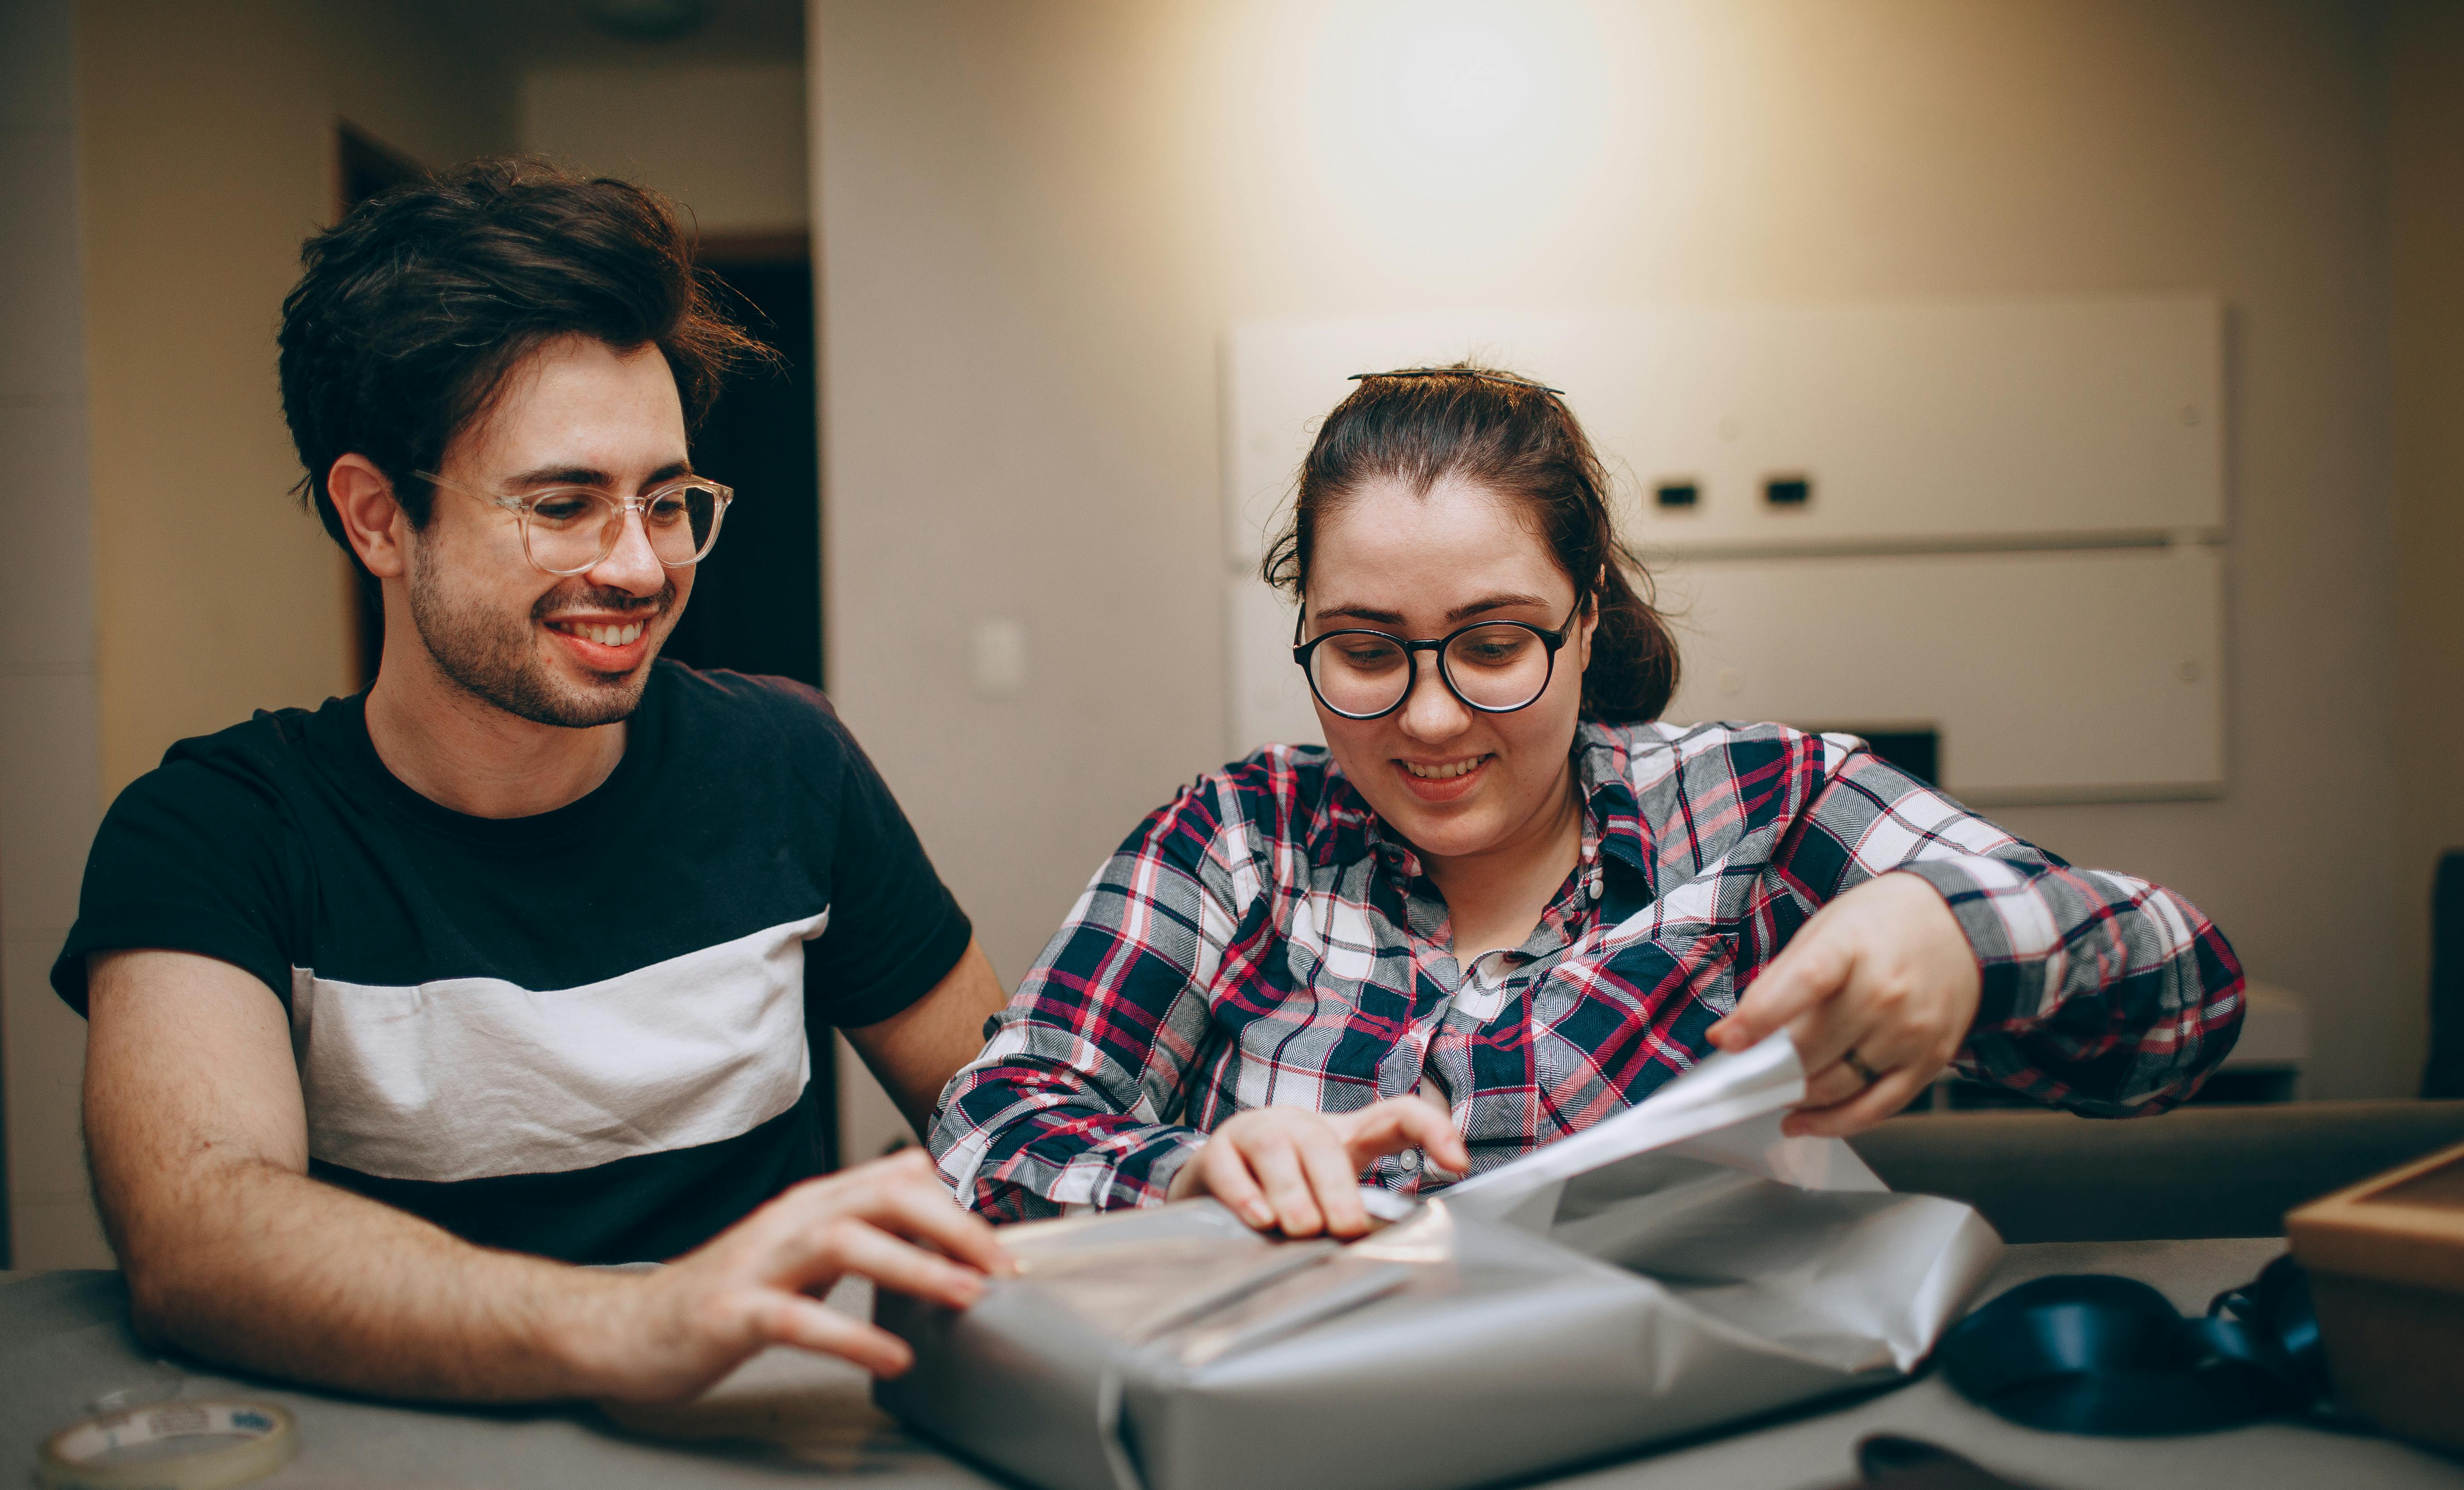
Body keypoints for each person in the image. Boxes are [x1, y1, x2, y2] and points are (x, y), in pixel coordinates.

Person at [54, 161, 1009, 1405]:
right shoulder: (214, 835)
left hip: (763, 1482)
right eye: (564, 505)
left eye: (666, 502)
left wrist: (1163, 1174)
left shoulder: (788, 764)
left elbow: (1011, 1110)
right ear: (378, 519)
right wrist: (634, 1321)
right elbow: (201, 1239)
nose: (640, 566)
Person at [932, 365, 2245, 1235]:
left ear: (1586, 615)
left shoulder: (1763, 808)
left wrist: (1959, 936)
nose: (1432, 717)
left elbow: (2187, 1010)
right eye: (1367, 652)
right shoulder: (1232, 840)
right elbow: (993, 1122)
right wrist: (1191, 1175)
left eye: (1495, 645)